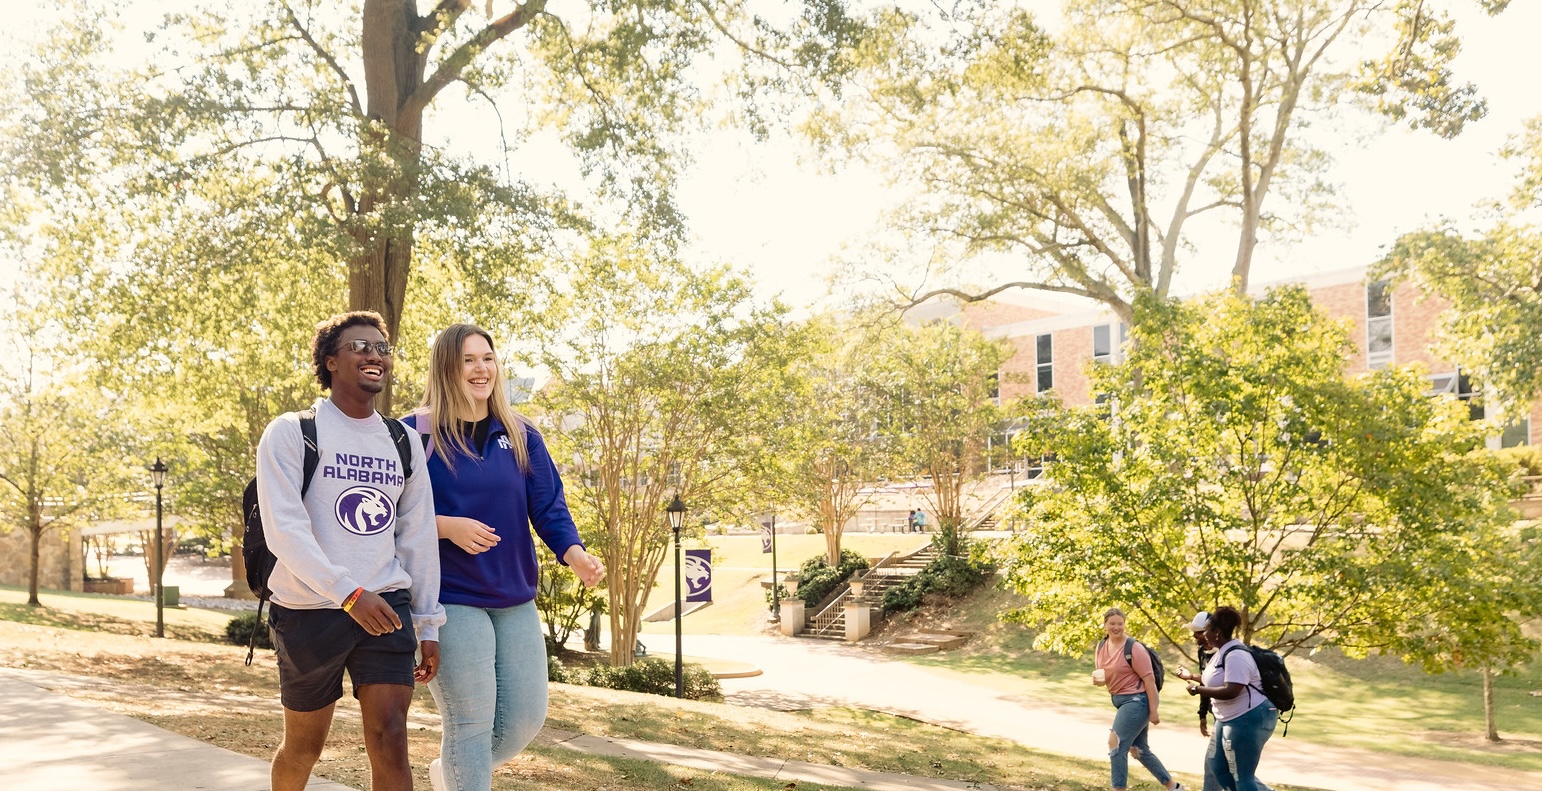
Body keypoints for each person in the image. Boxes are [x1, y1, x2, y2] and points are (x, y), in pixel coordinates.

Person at [404, 323, 605, 791]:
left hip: (514, 597)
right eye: (468, 360)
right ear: (446, 369)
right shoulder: (413, 433)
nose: (481, 369)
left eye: (488, 358)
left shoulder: (520, 432)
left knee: (523, 720)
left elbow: (548, 506)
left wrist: (574, 554)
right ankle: (463, 775)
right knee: (470, 723)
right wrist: (445, 526)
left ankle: (451, 774)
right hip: (450, 597)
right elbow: (386, 513)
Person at [256, 311, 445, 791]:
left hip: (386, 604)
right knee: (304, 747)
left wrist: (427, 623)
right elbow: (285, 530)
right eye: (360, 346)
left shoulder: (402, 441)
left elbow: (417, 535)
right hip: (309, 608)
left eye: (382, 348)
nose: (374, 355)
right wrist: (347, 593)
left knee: (391, 736)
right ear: (330, 361)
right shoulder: (292, 431)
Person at [1183, 606, 1277, 791]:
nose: (1204, 634)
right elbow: (1215, 679)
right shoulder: (1221, 652)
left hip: (1248, 718)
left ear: (1217, 632)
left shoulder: (1236, 655)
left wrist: (1198, 689)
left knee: (1242, 776)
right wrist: (1193, 678)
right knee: (1218, 767)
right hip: (1227, 719)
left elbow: (1231, 691)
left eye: (1206, 630)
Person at [1092, 608, 1184, 791]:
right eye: (1112, 623)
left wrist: (1153, 711)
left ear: (1124, 625)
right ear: (1105, 625)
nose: (1116, 627)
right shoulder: (1101, 646)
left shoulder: (1134, 648)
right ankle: (1174, 787)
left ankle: (1119, 789)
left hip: (1137, 701)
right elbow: (1104, 675)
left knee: (1115, 743)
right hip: (1119, 699)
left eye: (1120, 624)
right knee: (1139, 750)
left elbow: (1149, 680)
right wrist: (1099, 681)